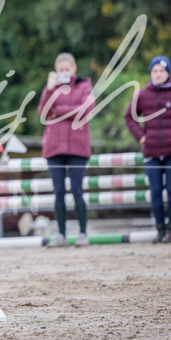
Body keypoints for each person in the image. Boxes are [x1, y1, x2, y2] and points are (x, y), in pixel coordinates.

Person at [124, 56, 171, 243]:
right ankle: (160, 229)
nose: (158, 74)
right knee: (156, 192)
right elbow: (129, 117)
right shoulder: (142, 95)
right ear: (151, 73)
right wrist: (141, 137)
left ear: (168, 73)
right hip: (151, 152)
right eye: (154, 71)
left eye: (161, 71)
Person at [39, 52, 96, 247]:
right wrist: (48, 88)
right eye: (60, 70)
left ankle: (82, 233)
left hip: (77, 147)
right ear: (56, 71)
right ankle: (61, 235)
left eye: (67, 69)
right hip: (54, 147)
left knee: (77, 190)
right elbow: (44, 113)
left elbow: (86, 110)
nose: (64, 73)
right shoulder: (52, 89)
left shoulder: (85, 85)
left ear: (74, 68)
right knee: (59, 192)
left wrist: (59, 111)